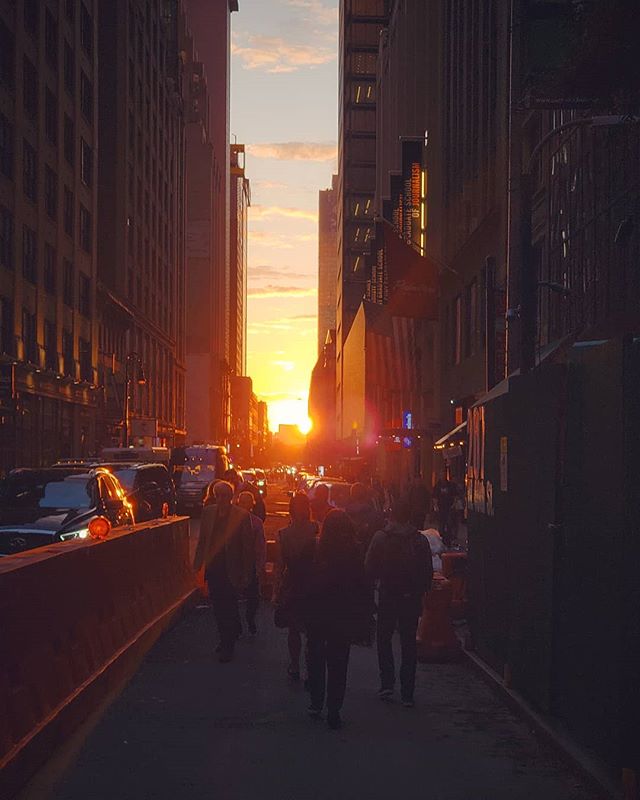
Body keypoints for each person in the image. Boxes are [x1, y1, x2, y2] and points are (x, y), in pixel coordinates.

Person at [304, 510, 371, 729]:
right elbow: (362, 582)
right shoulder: (354, 551)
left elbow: (303, 579)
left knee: (315, 657)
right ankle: (334, 708)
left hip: (317, 611)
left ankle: (316, 701)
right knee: (338, 662)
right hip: (342, 613)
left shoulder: (316, 548)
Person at [365, 496, 433, 707]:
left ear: (392, 514)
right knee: (408, 643)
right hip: (410, 598)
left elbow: (369, 567)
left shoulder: (380, 537)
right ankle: (407, 692)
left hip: (387, 594)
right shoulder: (420, 540)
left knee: (384, 640)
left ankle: (387, 683)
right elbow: (427, 572)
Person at [193, 481, 255, 663]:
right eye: (218, 496)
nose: (222, 500)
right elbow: (203, 541)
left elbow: (247, 547)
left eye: (226, 496)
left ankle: (228, 645)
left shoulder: (241, 516)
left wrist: (247, 572)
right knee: (218, 607)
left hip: (231, 568)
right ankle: (224, 638)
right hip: (214, 567)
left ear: (231, 497)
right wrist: (197, 565)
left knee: (228, 606)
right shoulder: (208, 513)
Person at [272, 492, 319, 683]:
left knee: (295, 628)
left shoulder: (284, 534)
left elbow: (279, 565)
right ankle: (306, 667)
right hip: (311, 583)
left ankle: (295, 665)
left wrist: (276, 590)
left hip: (293, 583)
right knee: (308, 629)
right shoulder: (316, 530)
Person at [236, 490, 267, 635]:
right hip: (235, 564)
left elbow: (261, 547)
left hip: (250, 565)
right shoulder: (232, 522)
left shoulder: (256, 523)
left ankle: (249, 618)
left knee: (252, 597)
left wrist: (260, 566)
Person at [345, 482, 385, 559]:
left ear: (352, 495)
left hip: (350, 556)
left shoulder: (346, 515)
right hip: (367, 554)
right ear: (365, 495)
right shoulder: (373, 515)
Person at [433, 471, 458, 546]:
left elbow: (455, 496)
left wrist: (454, 504)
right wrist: (436, 506)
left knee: (449, 524)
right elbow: (435, 497)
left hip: (449, 508)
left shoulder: (450, 485)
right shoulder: (437, 486)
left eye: (443, 475)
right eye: (441, 475)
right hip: (441, 508)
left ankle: (448, 539)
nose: (442, 477)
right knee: (441, 524)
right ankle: (441, 539)